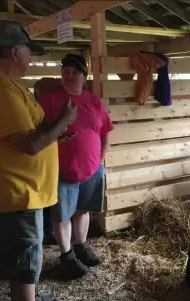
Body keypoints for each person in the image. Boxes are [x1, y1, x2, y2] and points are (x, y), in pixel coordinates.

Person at [0, 21, 77, 301]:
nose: (31, 58)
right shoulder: (0, 88)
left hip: (19, 191)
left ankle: (26, 296)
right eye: (29, 52)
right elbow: (29, 144)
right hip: (17, 193)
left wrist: (54, 133)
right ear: (16, 52)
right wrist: (64, 122)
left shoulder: (0, 83)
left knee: (22, 260)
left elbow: (29, 132)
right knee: (25, 259)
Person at [38, 53, 115, 279]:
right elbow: (38, 132)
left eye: (74, 72)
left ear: (84, 75)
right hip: (63, 171)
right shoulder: (49, 101)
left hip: (92, 169)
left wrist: (100, 160)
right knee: (61, 215)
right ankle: (67, 256)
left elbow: (105, 132)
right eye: (65, 71)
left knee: (83, 210)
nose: (68, 76)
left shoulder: (94, 101)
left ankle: (81, 246)